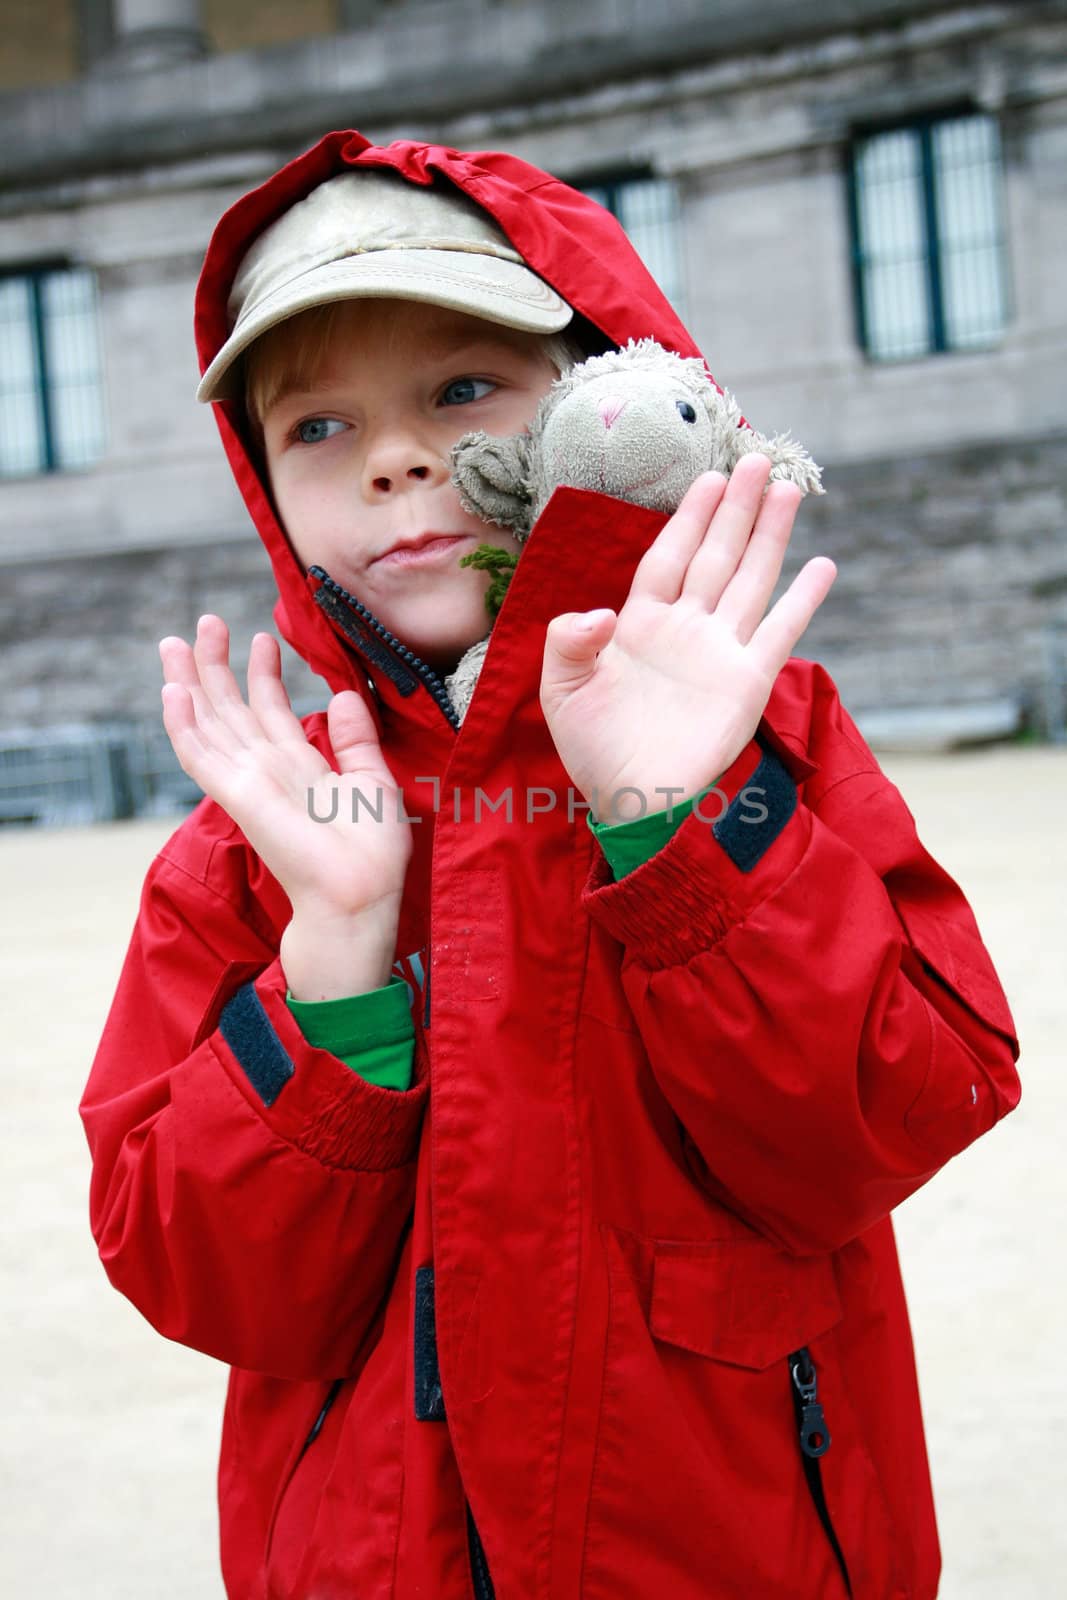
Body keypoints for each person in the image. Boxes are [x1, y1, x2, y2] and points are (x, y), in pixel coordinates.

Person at [81, 128, 1021, 1600]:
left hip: (730, 1545)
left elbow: (898, 1114)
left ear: (601, 391)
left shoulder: (755, 735)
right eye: (316, 427)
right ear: (263, 485)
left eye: (462, 389)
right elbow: (208, 1283)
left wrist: (674, 825)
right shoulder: (254, 834)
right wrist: (332, 955)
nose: (393, 456)